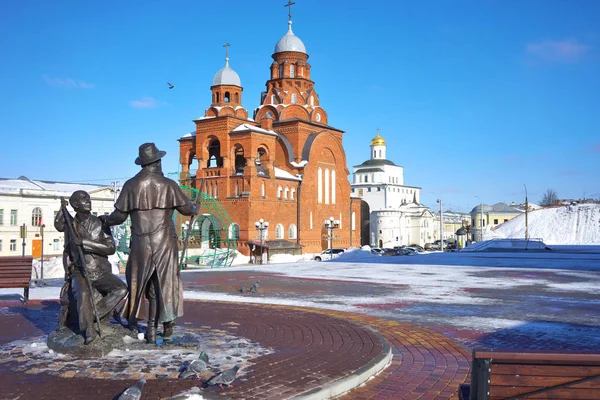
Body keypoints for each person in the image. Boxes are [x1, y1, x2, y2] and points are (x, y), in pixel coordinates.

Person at [102, 143, 198, 343]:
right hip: (164, 243)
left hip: (140, 243)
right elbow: (187, 209)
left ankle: (148, 326)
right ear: (157, 161)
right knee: (163, 284)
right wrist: (195, 207)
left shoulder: (131, 185)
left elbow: (119, 216)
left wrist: (106, 220)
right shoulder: (169, 185)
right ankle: (162, 324)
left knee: (140, 285)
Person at [54, 191, 128, 345]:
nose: (88, 201)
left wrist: (86, 244)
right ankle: (89, 329)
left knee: (121, 289)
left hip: (100, 271)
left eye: (88, 198)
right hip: (79, 271)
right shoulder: (70, 226)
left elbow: (110, 248)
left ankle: (92, 315)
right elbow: (60, 229)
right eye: (83, 199)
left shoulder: (101, 223)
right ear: (75, 205)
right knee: (82, 293)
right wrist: (62, 209)